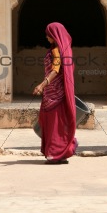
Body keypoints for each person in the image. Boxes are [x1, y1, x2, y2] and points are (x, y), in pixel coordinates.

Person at [33, 22, 78, 164]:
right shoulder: (59, 50)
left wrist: (42, 85)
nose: (46, 37)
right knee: (56, 122)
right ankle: (59, 152)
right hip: (53, 93)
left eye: (48, 34)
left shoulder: (57, 51)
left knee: (55, 122)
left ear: (54, 35)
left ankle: (55, 153)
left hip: (54, 94)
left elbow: (55, 70)